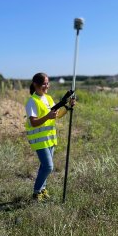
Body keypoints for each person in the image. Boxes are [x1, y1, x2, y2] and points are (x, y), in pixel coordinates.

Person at [25, 72, 75, 202]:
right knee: (48, 167)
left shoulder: (48, 98)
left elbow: (57, 115)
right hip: (39, 140)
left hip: (50, 139)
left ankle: (42, 189)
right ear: (36, 85)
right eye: (44, 84)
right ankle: (36, 193)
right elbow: (33, 122)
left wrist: (68, 107)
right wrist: (47, 116)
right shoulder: (32, 101)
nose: (46, 86)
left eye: (47, 83)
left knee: (44, 167)